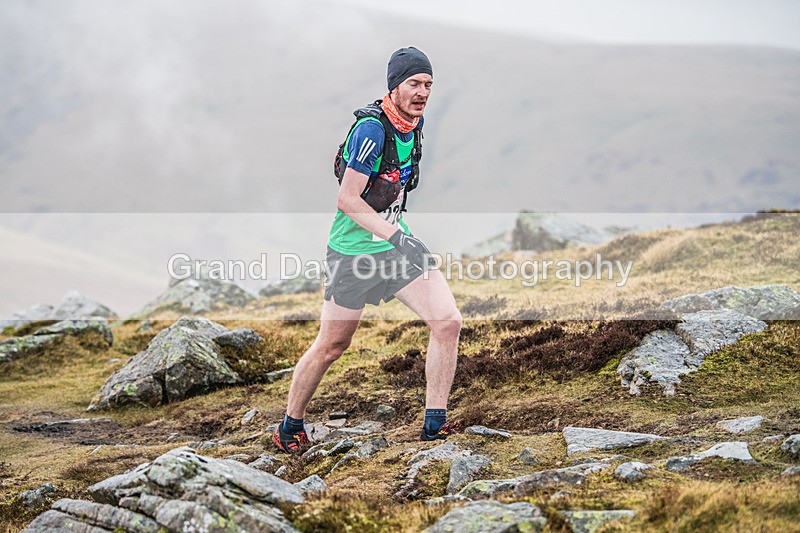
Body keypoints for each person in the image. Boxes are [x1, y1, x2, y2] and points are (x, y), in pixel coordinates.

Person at [272, 47, 462, 453]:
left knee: (447, 322)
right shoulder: (372, 130)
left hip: (394, 246)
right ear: (394, 85)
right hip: (353, 253)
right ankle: (289, 426)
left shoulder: (414, 124)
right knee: (332, 346)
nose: (422, 92)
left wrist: (399, 238)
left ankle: (435, 425)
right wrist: (396, 237)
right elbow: (348, 198)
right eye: (414, 83)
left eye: (428, 84)